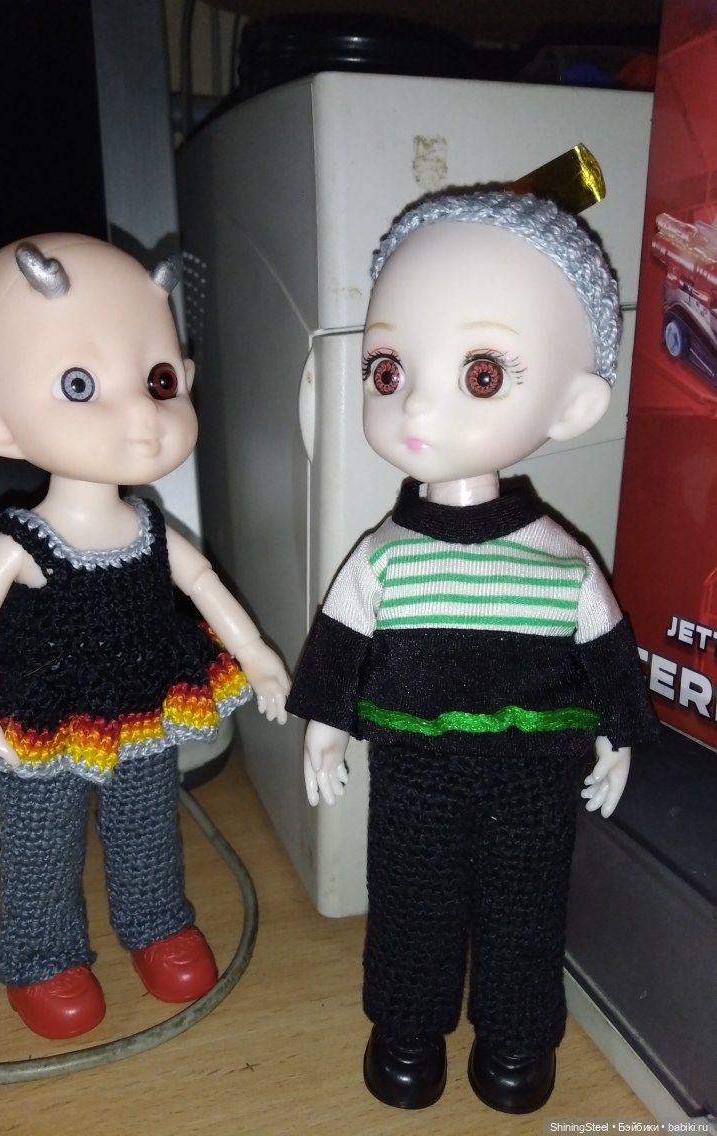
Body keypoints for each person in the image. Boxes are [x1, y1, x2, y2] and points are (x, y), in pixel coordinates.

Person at [286, 190, 658, 1114]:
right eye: (387, 369)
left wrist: (619, 733)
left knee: (525, 908)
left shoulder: (559, 556)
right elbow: (340, 640)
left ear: (574, 403)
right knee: (410, 901)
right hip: (414, 764)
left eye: (481, 374)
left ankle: (517, 1040)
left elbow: (607, 647)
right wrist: (325, 727)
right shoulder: (383, 554)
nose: (417, 402)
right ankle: (406, 1032)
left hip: (536, 768)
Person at [0, 234, 289, 1039]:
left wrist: (257, 654)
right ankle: (41, 957)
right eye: (80, 385)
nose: (142, 417)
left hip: (143, 700)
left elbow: (201, 583)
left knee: (147, 821)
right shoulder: (26, 541)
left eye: (158, 381)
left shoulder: (149, 527)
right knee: (42, 839)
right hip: (45, 714)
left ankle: (156, 924)